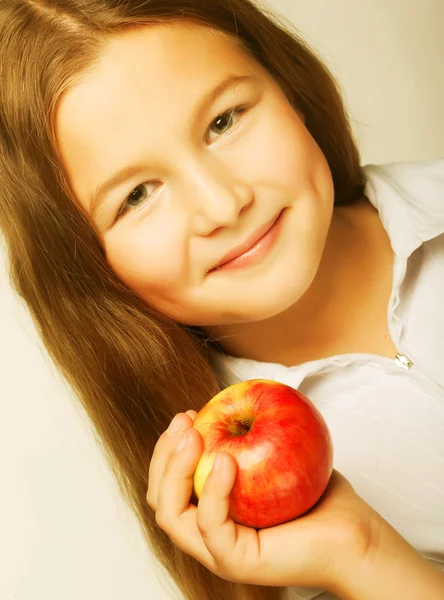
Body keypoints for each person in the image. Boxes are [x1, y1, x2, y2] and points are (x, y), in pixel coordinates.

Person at [0, 1, 443, 599]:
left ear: (286, 83)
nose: (222, 204)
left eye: (223, 121)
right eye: (137, 195)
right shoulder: (257, 517)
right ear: (85, 268)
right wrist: (363, 557)